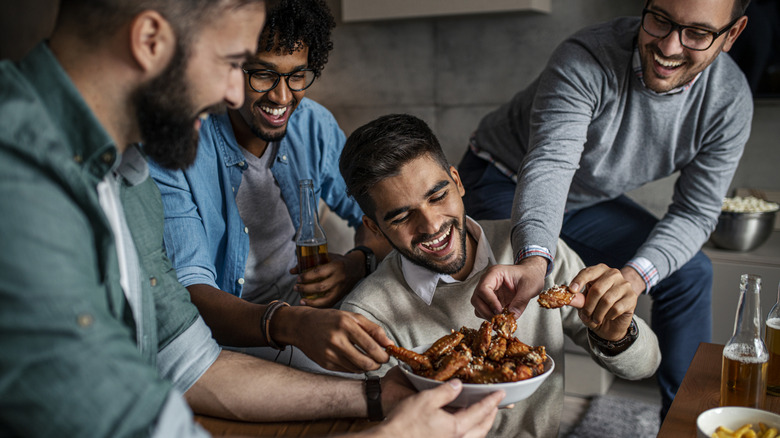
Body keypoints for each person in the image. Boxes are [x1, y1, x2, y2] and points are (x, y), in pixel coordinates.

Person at [0, 1, 504, 436]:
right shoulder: (21, 182)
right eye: (234, 63)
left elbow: (189, 364)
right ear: (150, 40)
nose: (236, 94)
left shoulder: (127, 174)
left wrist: (380, 400)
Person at [457, 0, 752, 417]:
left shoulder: (729, 101)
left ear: (732, 35)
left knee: (689, 272)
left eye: (698, 34)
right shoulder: (586, 57)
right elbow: (550, 165)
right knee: (519, 278)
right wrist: (535, 260)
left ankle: (689, 421)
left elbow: (695, 212)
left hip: (585, 198)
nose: (669, 46)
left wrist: (632, 280)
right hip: (504, 177)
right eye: (660, 20)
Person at [337, 114, 661, 437]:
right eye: (402, 217)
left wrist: (618, 334)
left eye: (438, 197)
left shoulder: (535, 252)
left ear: (457, 182)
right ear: (375, 228)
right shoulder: (366, 316)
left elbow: (645, 365)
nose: (432, 225)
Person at [148, 0, 390, 373]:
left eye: (297, 76)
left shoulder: (313, 125)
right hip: (229, 349)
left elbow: (380, 217)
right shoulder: (181, 147)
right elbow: (189, 294)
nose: (281, 97)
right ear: (230, 69)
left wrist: (358, 264)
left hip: (308, 325)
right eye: (262, 75)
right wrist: (290, 324)